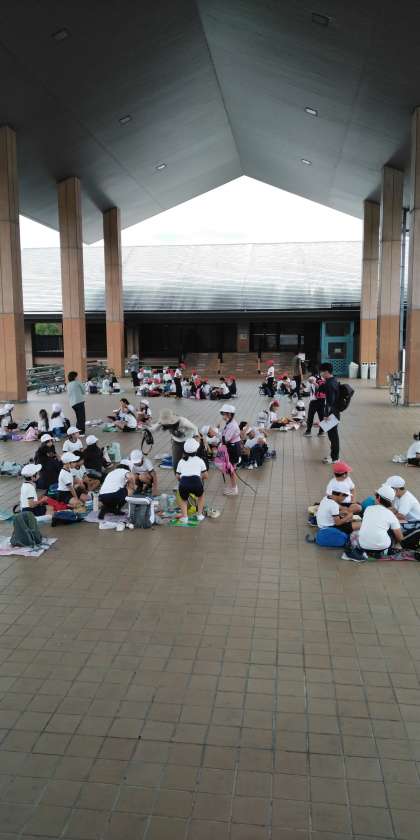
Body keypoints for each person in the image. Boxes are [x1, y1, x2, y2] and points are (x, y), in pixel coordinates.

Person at [343, 484, 403, 561]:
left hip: (363, 545)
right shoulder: (391, 515)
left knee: (358, 532)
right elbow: (399, 537)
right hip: (383, 546)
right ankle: (384, 551)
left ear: (378, 498)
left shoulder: (368, 509)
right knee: (392, 531)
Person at [152, 409, 198, 474]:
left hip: (188, 441)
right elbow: (154, 429)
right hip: (176, 442)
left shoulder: (183, 421)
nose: (167, 425)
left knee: (189, 460)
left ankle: (190, 475)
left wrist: (196, 439)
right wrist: (148, 430)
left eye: (168, 424)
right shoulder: (163, 422)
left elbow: (195, 428)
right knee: (175, 462)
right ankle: (178, 476)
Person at [176, 438, 208, 524]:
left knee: (183, 499)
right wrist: (199, 477)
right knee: (201, 496)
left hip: (184, 484)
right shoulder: (200, 460)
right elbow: (206, 476)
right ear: (196, 450)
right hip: (196, 483)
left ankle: (185, 517)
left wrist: (182, 480)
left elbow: (177, 476)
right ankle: (199, 515)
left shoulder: (181, 461)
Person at [320, 362, 340, 464]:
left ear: (327, 372)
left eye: (322, 371)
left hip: (332, 413)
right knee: (332, 435)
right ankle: (333, 455)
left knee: (333, 436)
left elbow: (330, 402)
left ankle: (335, 458)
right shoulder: (333, 380)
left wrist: (326, 415)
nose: (321, 374)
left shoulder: (330, 384)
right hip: (334, 412)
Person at [219, 404, 240, 495]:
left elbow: (226, 439)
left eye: (224, 414)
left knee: (232, 469)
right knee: (231, 468)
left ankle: (234, 489)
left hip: (233, 448)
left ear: (229, 414)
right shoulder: (230, 423)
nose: (223, 416)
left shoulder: (232, 425)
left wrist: (217, 434)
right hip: (232, 447)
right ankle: (233, 486)